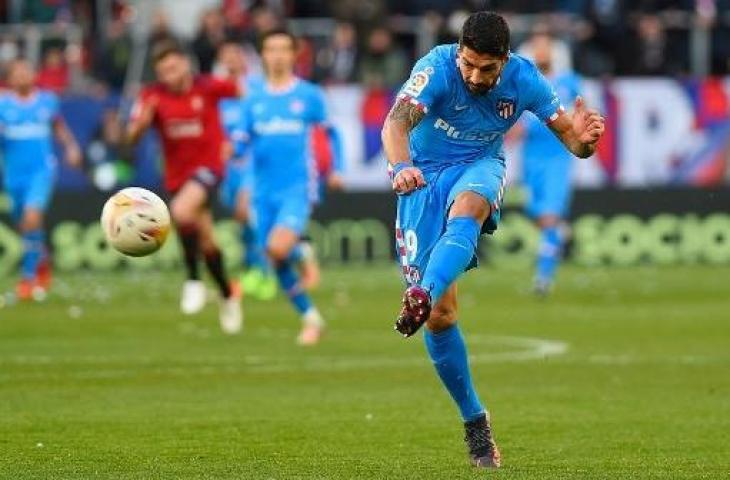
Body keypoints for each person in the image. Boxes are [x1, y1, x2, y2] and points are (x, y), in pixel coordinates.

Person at [381, 12, 605, 468]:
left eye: (487, 68)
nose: (475, 76)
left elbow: (573, 141)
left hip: (479, 166)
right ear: (459, 51)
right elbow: (395, 124)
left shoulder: (526, 79)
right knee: (442, 318)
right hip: (421, 176)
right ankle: (474, 419)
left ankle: (422, 292)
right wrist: (401, 165)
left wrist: (585, 142)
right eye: (469, 64)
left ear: (505, 60)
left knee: (470, 209)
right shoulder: (437, 67)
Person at [126, 40, 242, 334]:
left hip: (210, 169)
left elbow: (244, 93)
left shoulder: (208, 86)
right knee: (206, 241)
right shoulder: (151, 95)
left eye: (173, 68)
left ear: (185, 65)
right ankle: (228, 294)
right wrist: (142, 122)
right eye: (163, 71)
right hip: (177, 177)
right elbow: (131, 138)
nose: (169, 75)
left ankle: (193, 280)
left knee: (180, 211)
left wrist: (237, 71)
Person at [239, 29, 340, 345]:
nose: (278, 55)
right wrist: (233, 157)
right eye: (272, 49)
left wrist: (334, 170)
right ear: (263, 55)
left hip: (297, 188)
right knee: (276, 257)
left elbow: (330, 134)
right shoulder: (252, 98)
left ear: (294, 54)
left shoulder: (309, 95)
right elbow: (241, 144)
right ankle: (311, 318)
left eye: (284, 49)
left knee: (276, 249)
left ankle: (300, 249)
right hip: (261, 191)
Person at [0, 59, 81, 300]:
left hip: (42, 171)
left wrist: (71, 147)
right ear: (10, 78)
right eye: (18, 71)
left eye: (27, 70)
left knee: (32, 217)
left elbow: (59, 128)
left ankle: (28, 278)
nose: (23, 75)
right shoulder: (3, 105)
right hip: (14, 175)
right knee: (24, 225)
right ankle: (42, 260)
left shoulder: (47, 100)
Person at [517, 31, 581, 295]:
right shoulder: (525, 82)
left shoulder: (569, 82)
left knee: (548, 216)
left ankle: (543, 278)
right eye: (537, 47)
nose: (541, 52)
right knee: (537, 214)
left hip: (557, 158)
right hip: (530, 160)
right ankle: (558, 233)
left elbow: (583, 111)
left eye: (546, 46)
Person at [214, 40, 276, 301]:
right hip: (228, 169)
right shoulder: (217, 94)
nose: (230, 60)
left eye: (234, 54)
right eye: (224, 55)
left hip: (252, 164)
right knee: (242, 223)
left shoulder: (256, 89)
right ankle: (255, 271)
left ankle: (268, 274)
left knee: (250, 215)